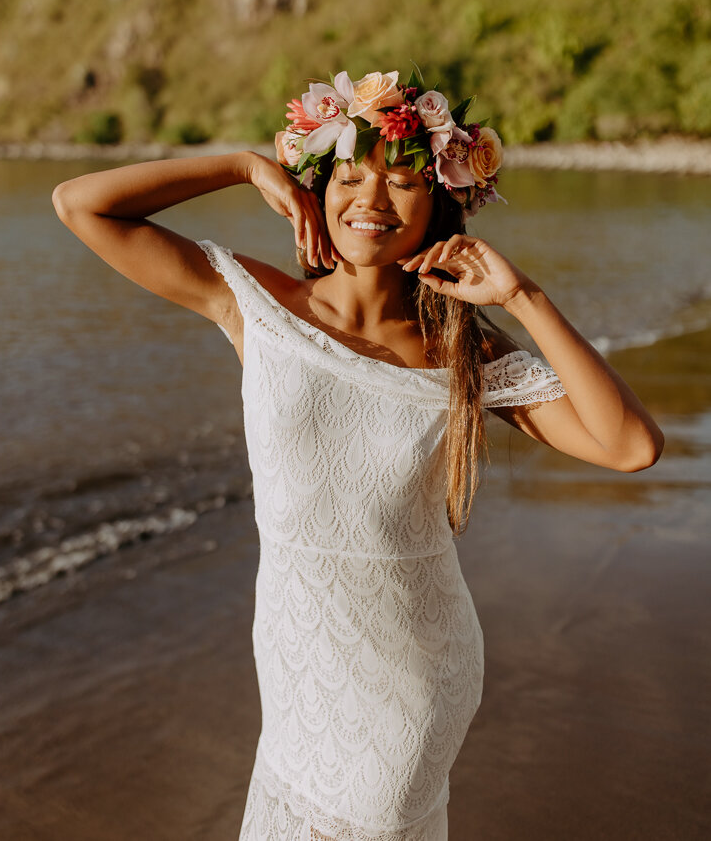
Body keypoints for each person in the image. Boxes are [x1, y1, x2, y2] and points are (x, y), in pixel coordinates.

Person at [52, 68, 664, 840]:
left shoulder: (462, 351)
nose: (370, 201)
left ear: (441, 202)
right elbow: (80, 204)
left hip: (410, 677)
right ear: (313, 189)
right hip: (294, 670)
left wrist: (522, 299)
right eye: (348, 175)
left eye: (402, 182)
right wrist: (242, 165)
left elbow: (629, 445)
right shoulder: (258, 306)